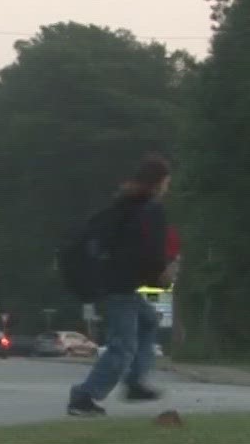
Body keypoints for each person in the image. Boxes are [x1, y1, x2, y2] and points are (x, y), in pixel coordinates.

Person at [68, 154, 174, 417]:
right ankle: (84, 396)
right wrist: (160, 274)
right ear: (159, 182)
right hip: (120, 287)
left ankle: (135, 382)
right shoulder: (148, 209)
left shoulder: (124, 205)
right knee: (122, 346)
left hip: (112, 282)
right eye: (167, 182)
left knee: (148, 321)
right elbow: (148, 250)